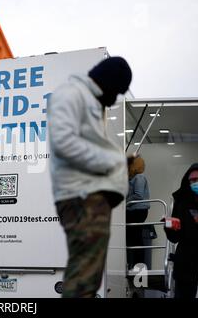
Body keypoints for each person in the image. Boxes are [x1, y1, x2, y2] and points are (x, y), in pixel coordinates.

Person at [47, 56, 132, 298]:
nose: (115, 99)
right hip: (81, 197)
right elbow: (63, 142)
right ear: (107, 82)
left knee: (87, 278)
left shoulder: (90, 100)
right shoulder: (72, 94)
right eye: (116, 91)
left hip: (88, 197)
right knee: (84, 279)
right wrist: (111, 161)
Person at [164, 163, 198, 298]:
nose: (197, 183)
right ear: (188, 182)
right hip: (185, 265)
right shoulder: (181, 202)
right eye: (193, 180)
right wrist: (169, 226)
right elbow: (174, 238)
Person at [126, 155, 150, 270]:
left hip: (137, 210)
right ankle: (135, 265)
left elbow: (138, 195)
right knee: (134, 238)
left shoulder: (139, 177)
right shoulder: (134, 177)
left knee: (136, 238)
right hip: (135, 210)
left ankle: (138, 266)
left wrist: (125, 201)